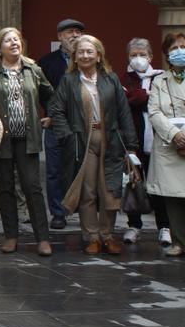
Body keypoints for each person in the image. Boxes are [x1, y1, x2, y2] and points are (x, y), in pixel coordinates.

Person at [49, 35, 139, 255]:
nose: (85, 55)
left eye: (90, 51)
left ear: (99, 55)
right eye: (81, 52)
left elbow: (124, 113)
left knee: (109, 189)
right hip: (83, 142)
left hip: (111, 142)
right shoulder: (69, 80)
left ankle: (107, 235)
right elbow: (56, 110)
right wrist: (67, 136)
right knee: (88, 191)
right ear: (75, 57)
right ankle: (92, 237)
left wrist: (131, 145)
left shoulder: (111, 79)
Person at [0, 27, 55, 256]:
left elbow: (52, 95)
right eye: (8, 41)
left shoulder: (33, 69)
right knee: (4, 187)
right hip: (1, 139)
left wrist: (51, 115)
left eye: (16, 39)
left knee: (32, 186)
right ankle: (10, 235)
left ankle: (43, 238)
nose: (13, 43)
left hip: (28, 139)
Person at [122, 37, 170, 245]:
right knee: (134, 184)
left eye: (142, 54)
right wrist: (145, 95)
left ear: (151, 56)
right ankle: (134, 226)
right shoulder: (123, 78)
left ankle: (165, 227)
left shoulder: (161, 77)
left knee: (159, 186)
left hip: (158, 141)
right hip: (133, 141)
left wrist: (138, 96)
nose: (138, 59)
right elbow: (125, 102)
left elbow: (161, 104)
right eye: (133, 55)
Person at [38, 18, 85, 229]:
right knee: (54, 170)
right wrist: (51, 114)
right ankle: (58, 213)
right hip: (55, 123)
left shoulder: (89, 59)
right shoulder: (47, 62)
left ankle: (86, 210)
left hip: (83, 125)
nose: (74, 35)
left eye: (78, 32)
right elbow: (43, 93)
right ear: (60, 37)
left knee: (83, 168)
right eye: (69, 32)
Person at [147, 32, 185, 255]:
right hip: (168, 144)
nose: (179, 51)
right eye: (174, 48)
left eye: (183, 46)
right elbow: (154, 111)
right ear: (167, 55)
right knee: (173, 197)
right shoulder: (159, 81)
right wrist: (174, 135)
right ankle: (179, 241)